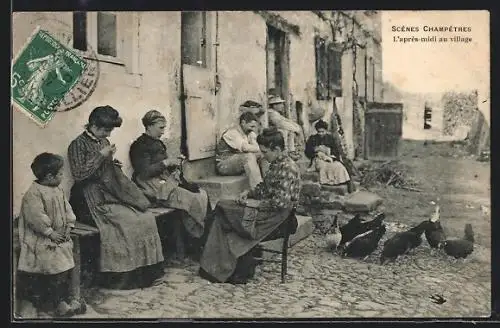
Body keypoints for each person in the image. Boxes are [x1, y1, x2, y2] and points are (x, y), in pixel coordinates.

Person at [67, 105, 164, 290]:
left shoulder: (102, 141)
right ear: (93, 125)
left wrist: (111, 163)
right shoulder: (77, 144)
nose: (108, 134)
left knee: (145, 217)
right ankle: (120, 277)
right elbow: (79, 175)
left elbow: (104, 166)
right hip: (87, 199)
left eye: (109, 130)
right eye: (105, 129)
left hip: (108, 192)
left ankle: (146, 273)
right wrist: (100, 157)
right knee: (127, 222)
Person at [199, 128, 301, 284]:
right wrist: (249, 193)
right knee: (222, 211)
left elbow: (280, 203)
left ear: (277, 149)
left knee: (223, 212)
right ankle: (222, 267)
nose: (264, 156)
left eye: (266, 152)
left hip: (277, 218)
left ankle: (224, 268)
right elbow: (265, 188)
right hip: (267, 211)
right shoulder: (276, 164)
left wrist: (254, 204)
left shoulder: (287, 168)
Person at [129, 110, 212, 258]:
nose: (163, 131)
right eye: (160, 128)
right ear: (148, 126)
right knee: (192, 200)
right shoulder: (139, 146)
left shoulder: (158, 143)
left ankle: (201, 242)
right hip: (151, 186)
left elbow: (163, 167)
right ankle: (196, 244)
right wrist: (166, 162)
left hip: (164, 181)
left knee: (202, 194)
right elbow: (144, 172)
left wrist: (175, 163)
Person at [17, 153, 85, 317]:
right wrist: (50, 233)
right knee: (54, 262)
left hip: (59, 236)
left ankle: (72, 298)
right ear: (49, 176)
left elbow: (68, 210)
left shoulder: (58, 190)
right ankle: (57, 303)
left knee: (69, 257)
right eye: (61, 174)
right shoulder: (33, 194)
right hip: (40, 239)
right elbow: (36, 218)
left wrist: (69, 226)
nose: (62, 176)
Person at [215, 110, 264, 189]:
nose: (253, 129)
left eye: (254, 127)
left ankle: (268, 184)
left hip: (236, 162)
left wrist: (254, 141)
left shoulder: (247, 133)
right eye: (251, 126)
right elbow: (245, 148)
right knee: (248, 156)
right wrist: (255, 144)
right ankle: (257, 189)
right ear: (243, 123)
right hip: (223, 165)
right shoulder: (232, 132)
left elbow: (257, 149)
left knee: (263, 154)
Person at [304, 119, 354, 192]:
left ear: (326, 131)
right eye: (319, 132)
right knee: (323, 166)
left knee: (338, 166)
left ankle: (339, 181)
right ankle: (328, 182)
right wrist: (316, 153)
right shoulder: (312, 138)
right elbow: (307, 151)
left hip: (330, 158)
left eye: (322, 132)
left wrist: (331, 156)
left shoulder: (330, 138)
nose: (321, 133)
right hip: (318, 159)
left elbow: (336, 151)